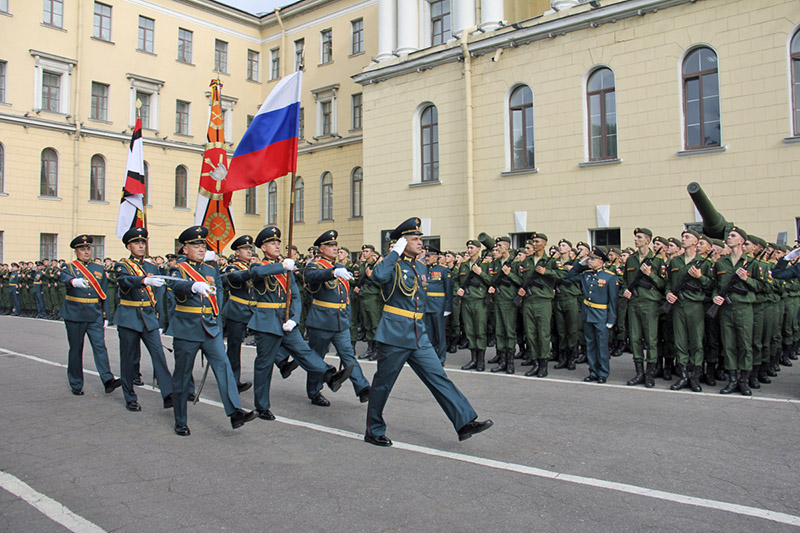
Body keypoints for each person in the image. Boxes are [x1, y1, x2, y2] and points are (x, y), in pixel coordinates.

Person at [364, 217, 493, 447]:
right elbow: (379, 277)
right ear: (403, 243)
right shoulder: (392, 263)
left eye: (420, 238)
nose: (421, 242)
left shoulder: (420, 266)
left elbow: (419, 301)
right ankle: (373, 430)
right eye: (415, 239)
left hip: (417, 333)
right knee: (383, 384)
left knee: (438, 376)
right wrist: (394, 252)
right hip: (394, 334)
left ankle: (464, 422)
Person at [248, 226, 354, 419]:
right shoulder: (260, 266)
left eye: (278, 242)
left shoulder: (285, 268)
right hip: (267, 322)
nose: (277, 245)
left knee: (305, 353)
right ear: (263, 247)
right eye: (272, 242)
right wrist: (282, 266)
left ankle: (330, 375)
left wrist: (294, 319)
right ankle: (262, 406)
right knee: (264, 365)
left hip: (286, 320)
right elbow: (257, 274)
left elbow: (295, 297)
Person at [167, 225, 256, 436]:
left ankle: (235, 412)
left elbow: (219, 293)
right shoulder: (176, 268)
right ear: (184, 249)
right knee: (182, 376)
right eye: (195, 244)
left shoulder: (210, 269)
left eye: (202, 244)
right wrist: (191, 287)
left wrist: (216, 319)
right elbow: (175, 286)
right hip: (187, 330)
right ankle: (180, 419)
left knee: (224, 368)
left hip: (210, 328)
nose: (200, 248)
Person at [303, 230, 371, 403]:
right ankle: (314, 391)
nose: (335, 248)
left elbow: (345, 296)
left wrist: (347, 317)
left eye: (335, 245)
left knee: (348, 355)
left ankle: (362, 388)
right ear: (321, 248)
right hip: (322, 320)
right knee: (317, 358)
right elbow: (312, 277)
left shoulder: (341, 267)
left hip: (340, 320)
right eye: (330, 245)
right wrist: (332, 273)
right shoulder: (315, 265)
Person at [113, 227, 174, 412]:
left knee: (158, 355)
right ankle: (129, 396)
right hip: (129, 317)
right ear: (128, 246)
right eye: (136, 243)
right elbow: (124, 281)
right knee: (128, 359)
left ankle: (169, 393)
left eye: (143, 243)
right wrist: (143, 281)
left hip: (148, 317)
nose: (140, 246)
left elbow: (159, 295)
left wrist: (161, 320)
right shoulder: (122, 266)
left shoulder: (152, 267)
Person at [59, 235, 121, 396]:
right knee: (76, 349)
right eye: (82, 249)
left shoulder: (99, 268)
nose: (86, 252)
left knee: (100, 347)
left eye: (88, 248)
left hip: (94, 314)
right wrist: (73, 282)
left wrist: (106, 315)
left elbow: (104, 293)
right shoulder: (69, 268)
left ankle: (108, 380)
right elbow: (63, 277)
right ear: (76, 252)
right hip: (75, 314)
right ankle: (76, 383)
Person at [712, 226, 759, 396]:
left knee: (745, 346)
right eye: (728, 236)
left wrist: (747, 279)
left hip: (744, 308)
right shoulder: (721, 263)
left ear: (741, 241)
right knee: (729, 345)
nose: (729, 238)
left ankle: (743, 381)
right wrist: (715, 297)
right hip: (726, 309)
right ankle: (732, 380)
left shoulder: (752, 263)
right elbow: (716, 286)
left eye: (733, 236)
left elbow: (763, 287)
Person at [665, 229, 712, 392]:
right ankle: (684, 375)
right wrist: (668, 293)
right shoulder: (675, 262)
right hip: (678, 306)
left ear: (695, 242)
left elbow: (711, 286)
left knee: (696, 342)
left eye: (687, 237)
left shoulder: (704, 263)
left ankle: (695, 376)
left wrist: (700, 277)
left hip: (695, 306)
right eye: (682, 237)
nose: (683, 240)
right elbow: (669, 283)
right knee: (680, 341)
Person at [621, 228, 666, 388]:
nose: (636, 240)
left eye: (639, 237)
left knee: (651, 339)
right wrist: (625, 290)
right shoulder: (631, 259)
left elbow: (663, 284)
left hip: (650, 303)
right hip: (634, 303)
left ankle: (650, 374)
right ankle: (639, 372)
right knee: (635, 338)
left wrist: (650, 275)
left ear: (648, 240)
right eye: (635, 237)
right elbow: (626, 279)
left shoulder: (658, 260)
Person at [567, 246, 618, 383]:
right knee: (590, 345)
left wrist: (612, 318)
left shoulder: (609, 277)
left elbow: (613, 300)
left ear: (601, 262)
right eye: (589, 259)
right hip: (588, 314)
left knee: (601, 346)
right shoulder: (587, 274)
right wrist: (579, 265)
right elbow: (570, 276)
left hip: (601, 315)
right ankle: (593, 372)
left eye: (592, 259)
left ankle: (603, 373)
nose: (590, 261)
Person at [221, 235, 256, 393]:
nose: (249, 251)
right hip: (237, 310)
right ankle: (233, 380)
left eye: (250, 248)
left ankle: (282, 361)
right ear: (237, 252)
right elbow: (236, 277)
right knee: (234, 348)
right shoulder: (232, 267)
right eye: (245, 248)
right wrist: (253, 271)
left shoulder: (253, 266)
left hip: (253, 311)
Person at [423, 245, 453, 365]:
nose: (426, 258)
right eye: (425, 256)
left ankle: (441, 358)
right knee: (429, 333)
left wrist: (448, 308)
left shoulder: (443, 270)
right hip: (427, 305)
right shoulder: (423, 269)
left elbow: (449, 290)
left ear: (435, 258)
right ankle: (432, 357)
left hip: (438, 306)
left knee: (440, 334)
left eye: (428, 256)